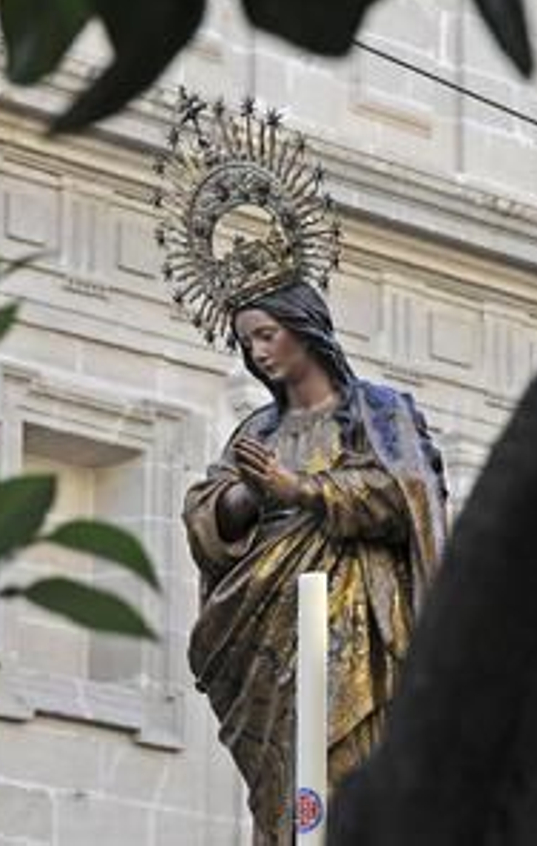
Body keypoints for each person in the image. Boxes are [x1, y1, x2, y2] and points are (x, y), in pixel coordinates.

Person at [182, 281, 448, 845]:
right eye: (246, 341)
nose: (257, 351)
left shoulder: (376, 412)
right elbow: (208, 510)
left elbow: (408, 496)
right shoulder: (259, 432)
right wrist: (248, 497)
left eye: (266, 335)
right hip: (269, 631)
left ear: (305, 330)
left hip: (361, 622)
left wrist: (301, 488)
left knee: (349, 768)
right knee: (287, 786)